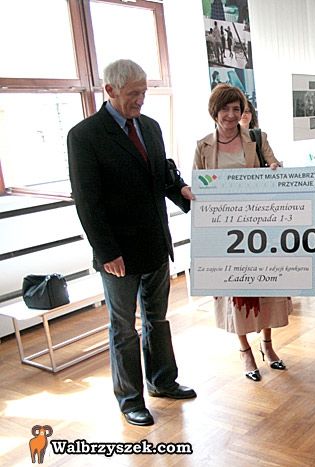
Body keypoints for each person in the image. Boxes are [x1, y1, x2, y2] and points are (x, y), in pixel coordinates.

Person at [67, 59, 197, 427]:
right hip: (118, 254)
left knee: (157, 319)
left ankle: (163, 381)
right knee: (123, 328)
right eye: (133, 94)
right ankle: (129, 400)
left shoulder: (150, 127)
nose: (140, 99)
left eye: (144, 92)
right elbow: (87, 201)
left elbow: (163, 174)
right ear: (109, 90)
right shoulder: (84, 135)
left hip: (155, 243)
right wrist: (107, 252)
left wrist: (182, 191)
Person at [193, 84, 291, 382]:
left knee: (265, 287)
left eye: (237, 109)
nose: (231, 114)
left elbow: (274, 165)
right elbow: (199, 189)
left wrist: (274, 168)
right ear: (214, 111)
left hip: (259, 226)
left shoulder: (257, 138)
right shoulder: (203, 146)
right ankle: (245, 350)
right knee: (237, 290)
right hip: (226, 232)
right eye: (225, 109)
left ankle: (268, 344)